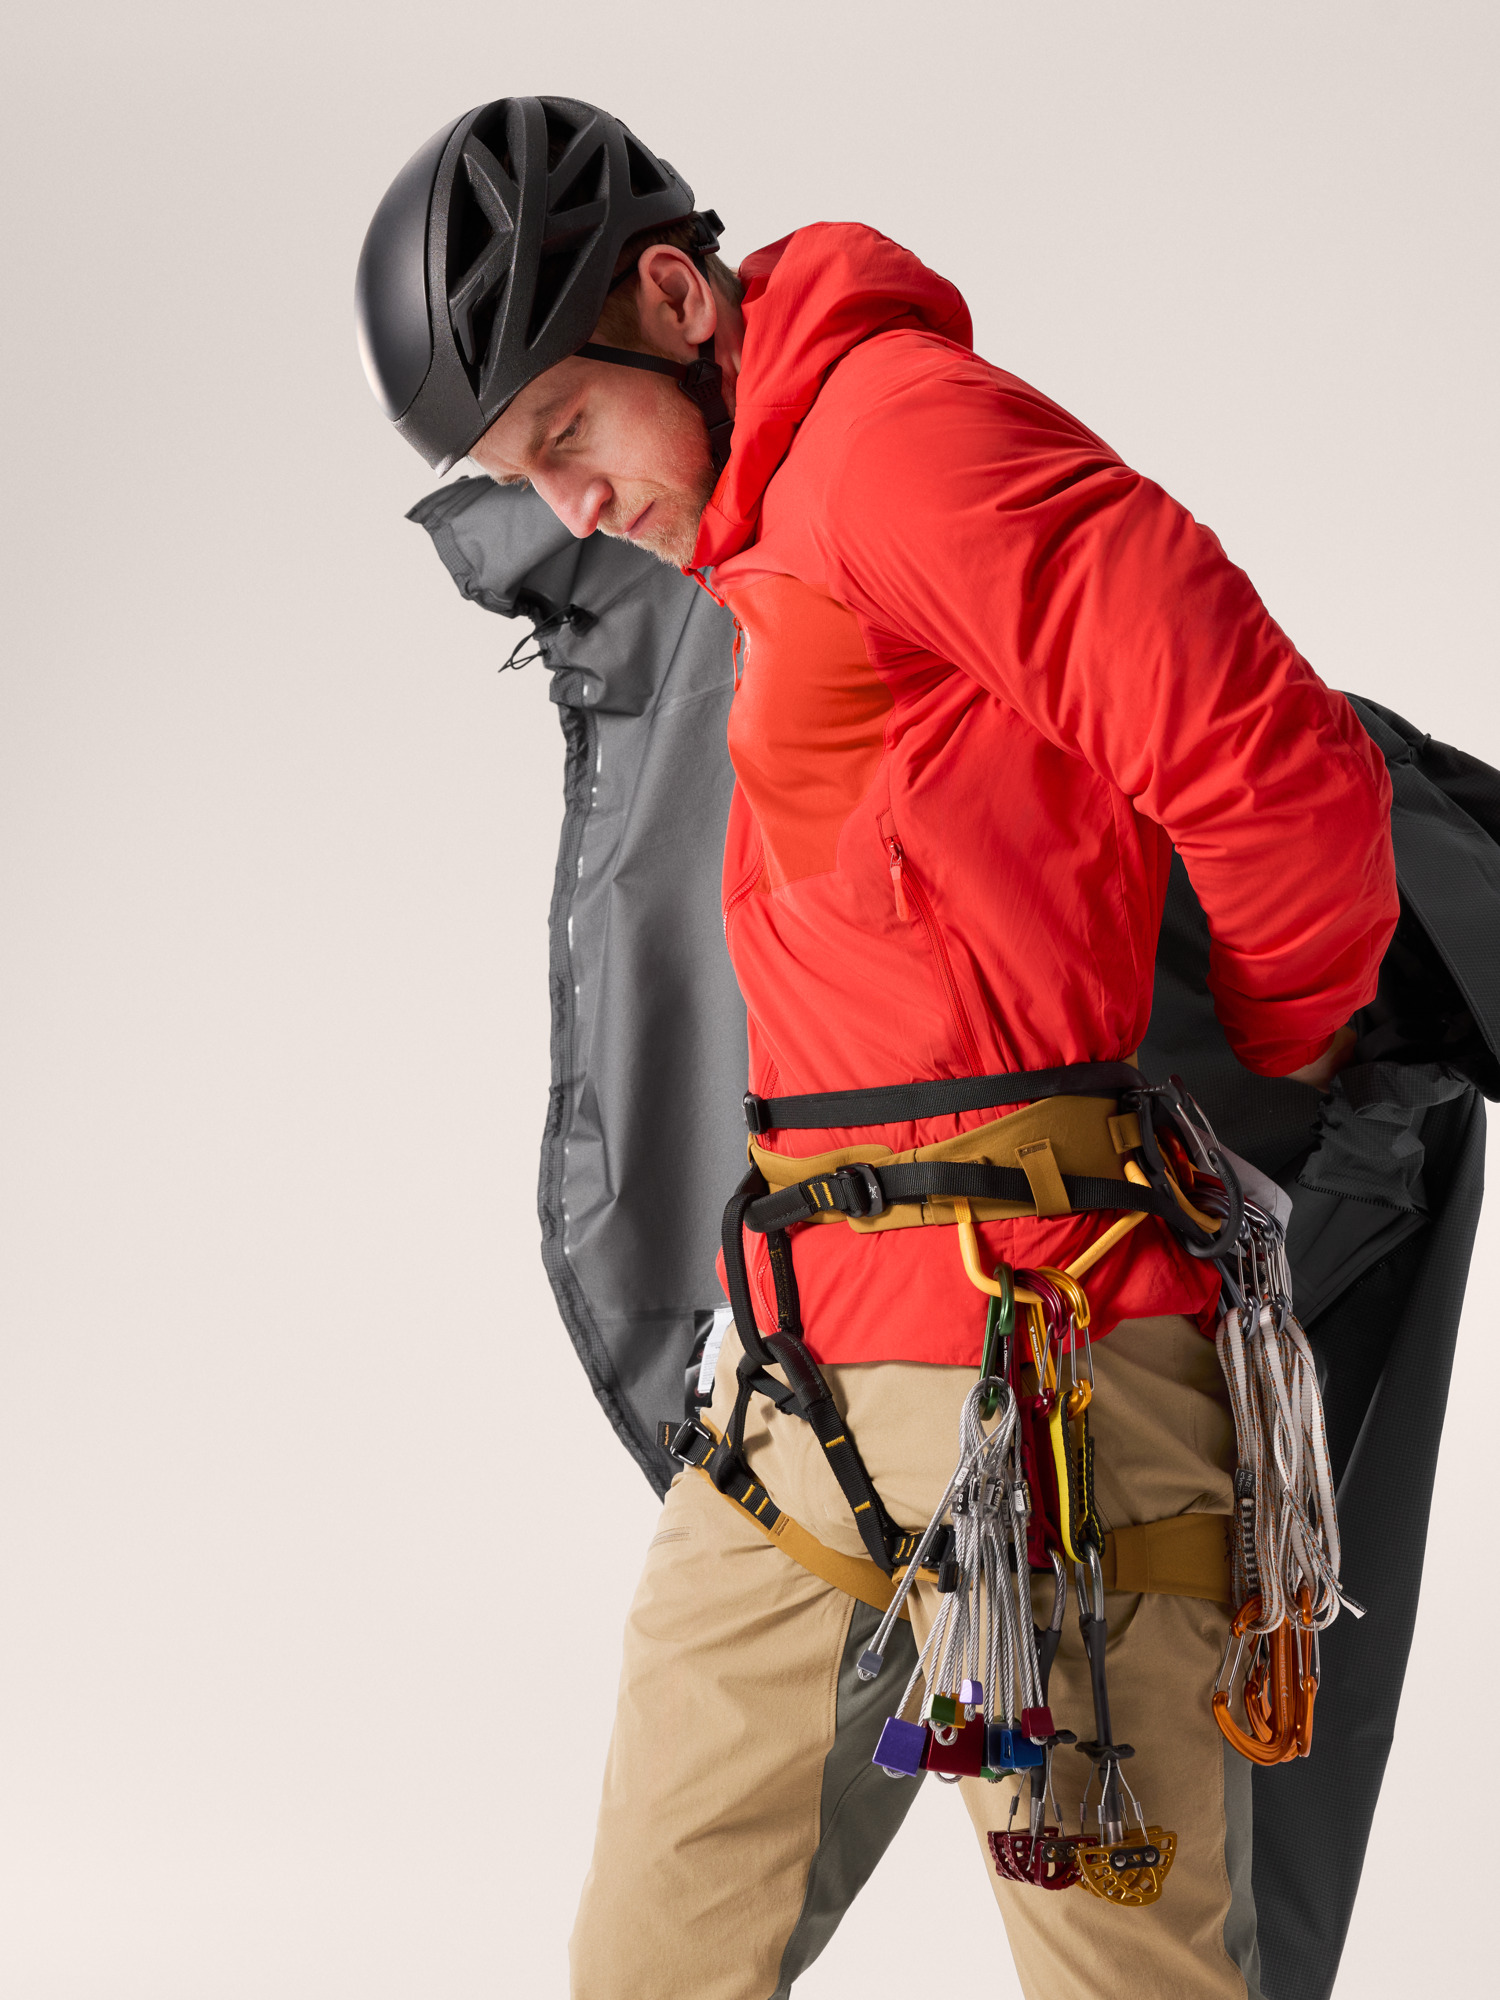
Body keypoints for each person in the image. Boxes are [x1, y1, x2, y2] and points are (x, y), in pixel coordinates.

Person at [356, 96, 1399, 2000]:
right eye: (521, 471)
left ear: (676, 299)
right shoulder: (759, 540)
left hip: (1053, 1372)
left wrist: (1285, 1071)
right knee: (648, 1959)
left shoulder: (905, 442)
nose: (569, 505)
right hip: (800, 1383)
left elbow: (1275, 769)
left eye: (569, 433)